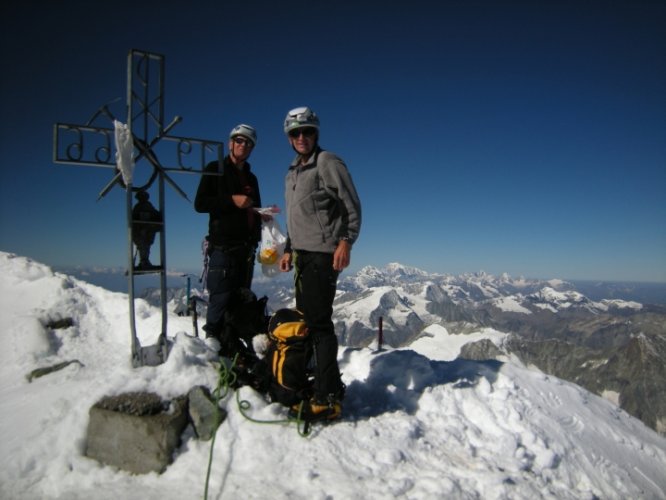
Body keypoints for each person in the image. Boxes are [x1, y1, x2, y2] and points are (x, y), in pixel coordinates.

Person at [278, 107, 362, 421]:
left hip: (322, 255)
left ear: (316, 133)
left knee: (319, 326)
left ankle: (327, 398)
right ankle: (326, 383)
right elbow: (295, 217)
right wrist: (288, 248)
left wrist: (346, 241)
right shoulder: (293, 171)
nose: (302, 137)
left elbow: (351, 205)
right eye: (296, 133)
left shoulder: (327, 162)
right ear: (289, 137)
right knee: (308, 321)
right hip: (302, 256)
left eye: (308, 131)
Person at [194, 124, 263, 356]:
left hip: (246, 250)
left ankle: (233, 348)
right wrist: (231, 200)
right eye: (239, 140)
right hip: (223, 248)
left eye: (248, 143)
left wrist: (264, 217)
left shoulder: (251, 178)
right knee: (220, 298)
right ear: (231, 142)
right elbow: (201, 203)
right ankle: (213, 344)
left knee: (241, 300)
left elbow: (254, 208)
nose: (243, 145)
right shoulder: (215, 169)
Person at [131, 190, 162, 269]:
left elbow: (155, 214)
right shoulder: (138, 207)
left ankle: (144, 261)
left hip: (147, 231)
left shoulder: (147, 205)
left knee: (145, 247)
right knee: (143, 247)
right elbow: (134, 218)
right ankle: (144, 262)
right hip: (141, 231)